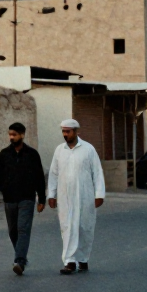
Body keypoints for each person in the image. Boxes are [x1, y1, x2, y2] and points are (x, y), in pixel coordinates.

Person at [0, 122, 47, 275]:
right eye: (10, 134)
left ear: (22, 135)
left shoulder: (32, 155)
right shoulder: (4, 154)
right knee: (13, 231)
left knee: (23, 229)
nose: (11, 137)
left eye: (14, 134)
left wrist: (42, 199)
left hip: (27, 198)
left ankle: (19, 260)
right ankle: (21, 256)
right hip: (9, 198)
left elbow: (39, 177)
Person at [47, 118, 106, 275]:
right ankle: (69, 261)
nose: (65, 134)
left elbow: (97, 172)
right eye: (63, 131)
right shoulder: (59, 150)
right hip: (65, 197)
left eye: (68, 131)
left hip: (85, 196)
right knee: (67, 227)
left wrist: (99, 194)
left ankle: (83, 258)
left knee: (85, 227)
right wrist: (51, 195)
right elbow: (53, 174)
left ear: (76, 132)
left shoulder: (88, 149)